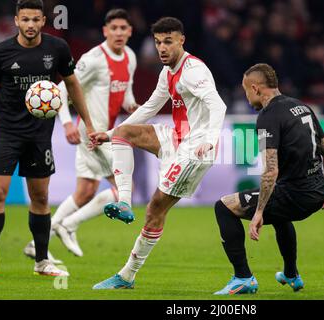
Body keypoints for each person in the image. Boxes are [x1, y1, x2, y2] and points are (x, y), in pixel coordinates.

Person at [89, 17, 227, 289]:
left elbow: (218, 106)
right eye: (158, 42)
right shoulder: (167, 72)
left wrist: (210, 140)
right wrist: (110, 132)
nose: (162, 48)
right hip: (175, 139)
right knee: (123, 133)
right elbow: (150, 107)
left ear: (181, 41)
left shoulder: (193, 71)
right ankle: (124, 203)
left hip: (195, 149)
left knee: (155, 209)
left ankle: (127, 275)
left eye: (168, 41)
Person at [0, 0, 94, 277]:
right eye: (25, 20)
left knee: (41, 196)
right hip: (6, 133)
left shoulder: (56, 48)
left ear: (44, 20)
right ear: (16, 21)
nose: (30, 25)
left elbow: (73, 86)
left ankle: (42, 261)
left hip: (39, 135)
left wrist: (89, 123)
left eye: (35, 20)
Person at [23, 8, 138, 260]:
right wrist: (66, 123)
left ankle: (37, 243)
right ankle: (69, 224)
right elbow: (61, 89)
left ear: (130, 31)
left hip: (107, 132)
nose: (118, 33)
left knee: (86, 191)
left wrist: (133, 107)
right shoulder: (93, 59)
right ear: (105, 31)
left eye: (123, 28)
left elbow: (126, 93)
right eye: (114, 28)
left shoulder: (129, 56)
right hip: (92, 134)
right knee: (125, 188)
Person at [213, 63, 324, 295]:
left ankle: (243, 278)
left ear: (256, 88)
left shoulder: (267, 116)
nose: (246, 96)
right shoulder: (302, 106)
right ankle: (291, 274)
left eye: (245, 90)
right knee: (280, 213)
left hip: (296, 195)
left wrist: (259, 211)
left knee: (223, 207)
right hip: (315, 191)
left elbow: (271, 170)